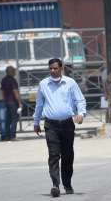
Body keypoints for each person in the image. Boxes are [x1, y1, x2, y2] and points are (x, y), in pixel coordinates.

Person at [33, 58, 86, 198]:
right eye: (50, 68)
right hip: (51, 125)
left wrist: (81, 113)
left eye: (55, 68)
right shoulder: (43, 84)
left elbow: (79, 100)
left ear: (61, 68)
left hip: (67, 124)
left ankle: (67, 184)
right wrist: (36, 121)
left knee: (68, 155)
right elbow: (39, 104)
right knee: (53, 155)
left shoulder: (70, 83)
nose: (52, 71)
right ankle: (55, 185)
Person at [1, 66, 22, 141]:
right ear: (11, 72)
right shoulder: (13, 80)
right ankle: (13, 136)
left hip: (6, 102)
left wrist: (4, 101)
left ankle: (7, 136)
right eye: (14, 71)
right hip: (13, 102)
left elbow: (2, 92)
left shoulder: (3, 80)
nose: (15, 72)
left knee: (7, 119)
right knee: (14, 119)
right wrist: (19, 102)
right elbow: (15, 92)